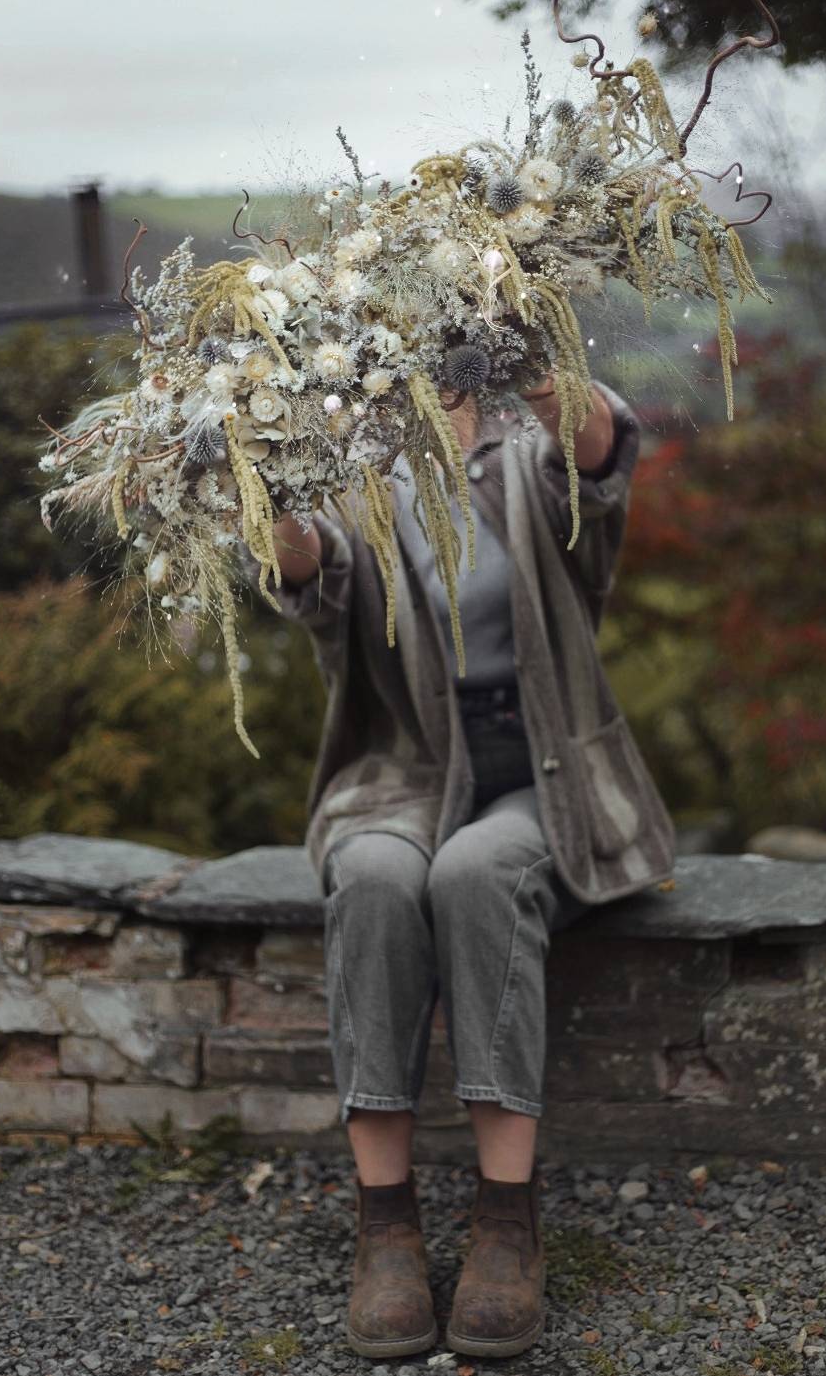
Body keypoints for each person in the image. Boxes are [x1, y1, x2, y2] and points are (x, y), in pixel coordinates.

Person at [241, 369, 676, 1361]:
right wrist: (258, 479)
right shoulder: (353, 467)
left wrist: (533, 353)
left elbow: (599, 453)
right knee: (375, 877)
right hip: (405, 770)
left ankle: (507, 1219)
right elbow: (307, 574)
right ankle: (385, 1222)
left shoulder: (526, 449)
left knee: (478, 872)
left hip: (545, 770)